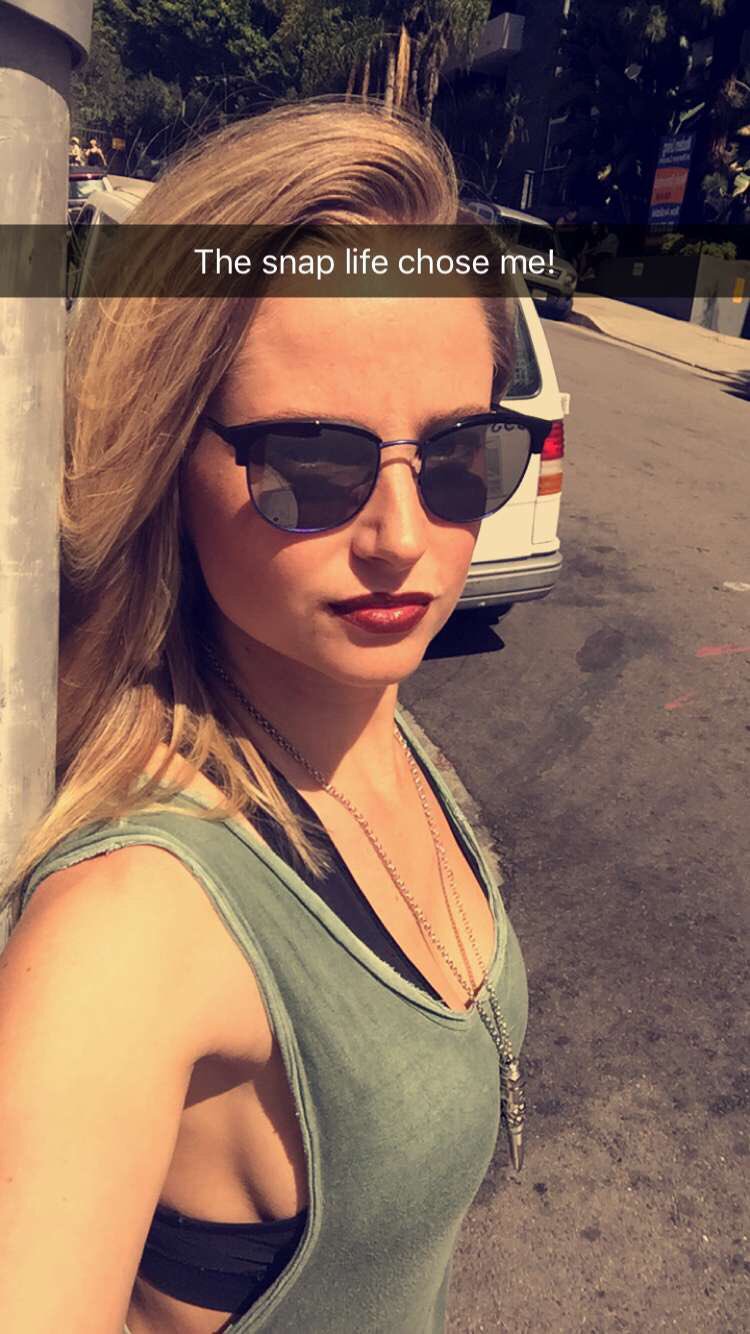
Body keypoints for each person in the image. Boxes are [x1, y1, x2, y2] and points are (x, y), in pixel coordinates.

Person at [0, 100, 529, 1333]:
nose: (401, 535)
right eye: (311, 462)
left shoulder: (360, 713)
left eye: (460, 455)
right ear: (165, 456)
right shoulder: (127, 930)